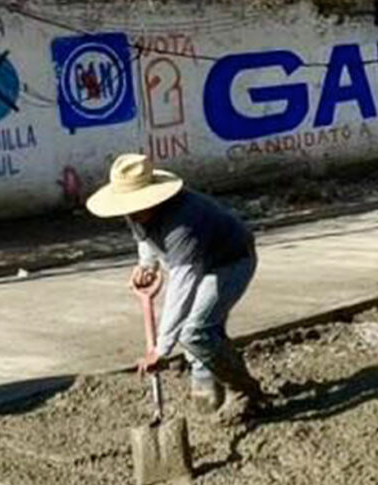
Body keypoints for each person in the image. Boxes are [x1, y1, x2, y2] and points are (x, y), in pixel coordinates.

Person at [86, 152, 266, 415]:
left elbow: (183, 285)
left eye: (135, 206)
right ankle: (208, 392)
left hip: (230, 261)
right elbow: (145, 238)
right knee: (204, 333)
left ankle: (245, 392)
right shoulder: (136, 212)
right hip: (200, 261)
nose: (130, 213)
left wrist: (161, 349)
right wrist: (147, 265)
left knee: (195, 331)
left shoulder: (183, 220)